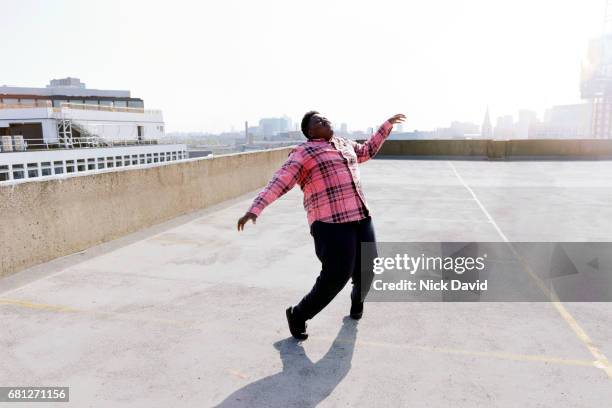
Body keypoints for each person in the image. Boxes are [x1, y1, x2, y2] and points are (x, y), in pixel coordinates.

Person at [237, 111, 406, 340]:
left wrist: (386, 126)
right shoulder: (303, 152)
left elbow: (367, 151)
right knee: (336, 275)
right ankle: (298, 314)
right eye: (317, 121)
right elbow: (281, 180)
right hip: (330, 223)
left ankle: (357, 300)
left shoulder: (344, 143)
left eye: (324, 118)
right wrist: (255, 208)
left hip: (360, 215)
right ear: (309, 132)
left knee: (368, 268)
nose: (324, 121)